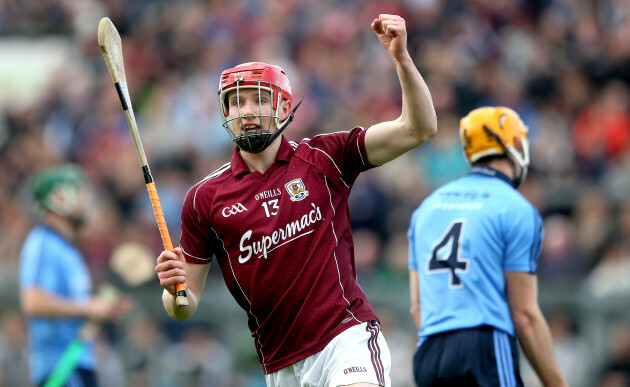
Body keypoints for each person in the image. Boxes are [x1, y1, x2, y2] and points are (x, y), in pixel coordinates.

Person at [155, 14, 436, 387]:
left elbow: (419, 128)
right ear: (226, 114)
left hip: (345, 338)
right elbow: (184, 307)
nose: (248, 111)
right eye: (237, 103)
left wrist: (401, 58)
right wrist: (173, 291)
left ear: (285, 109)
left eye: (259, 99)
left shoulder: (325, 157)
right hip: (280, 364)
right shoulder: (204, 198)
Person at [407, 106, 567, 387]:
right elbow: (524, 315)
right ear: (515, 144)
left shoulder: (426, 208)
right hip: (484, 346)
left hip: (429, 355)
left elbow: (417, 307)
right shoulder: (516, 207)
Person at [19, 164, 131, 387]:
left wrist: (100, 308)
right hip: (60, 367)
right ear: (58, 197)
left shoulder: (68, 249)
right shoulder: (43, 241)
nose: (86, 199)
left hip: (77, 362)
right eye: (78, 191)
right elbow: (33, 301)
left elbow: (72, 306)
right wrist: (88, 307)